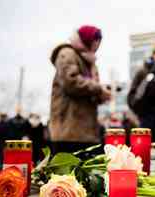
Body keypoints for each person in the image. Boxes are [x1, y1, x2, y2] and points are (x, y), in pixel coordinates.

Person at [49, 25, 111, 154]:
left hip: (87, 133)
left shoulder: (90, 61)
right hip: (68, 131)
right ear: (87, 40)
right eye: (96, 41)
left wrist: (102, 94)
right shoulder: (67, 53)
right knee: (66, 173)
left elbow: (92, 89)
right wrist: (99, 88)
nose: (97, 46)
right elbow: (71, 82)